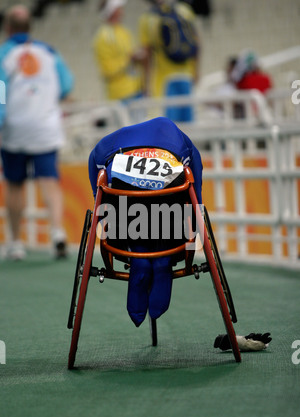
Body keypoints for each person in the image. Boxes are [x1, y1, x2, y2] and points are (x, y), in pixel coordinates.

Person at [88, 116, 203, 327]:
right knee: (179, 198)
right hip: (168, 206)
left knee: (117, 198)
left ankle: (139, 258)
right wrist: (194, 231)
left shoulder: (102, 147)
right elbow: (196, 199)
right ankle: (163, 262)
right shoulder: (183, 141)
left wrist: (108, 228)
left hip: (128, 210)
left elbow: (99, 201)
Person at [0, 4, 74, 260]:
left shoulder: (3, 55)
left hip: (15, 128)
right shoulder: (49, 52)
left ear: (7, 28)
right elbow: (66, 85)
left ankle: (16, 242)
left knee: (15, 184)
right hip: (45, 126)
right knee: (50, 180)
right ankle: (58, 234)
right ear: (30, 27)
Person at [138, 0, 201, 122]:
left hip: (163, 81)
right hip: (186, 76)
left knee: (167, 129)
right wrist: (196, 71)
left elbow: (147, 53)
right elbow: (197, 43)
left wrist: (145, 85)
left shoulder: (147, 19)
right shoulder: (185, 10)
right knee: (188, 130)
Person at [92, 0, 145, 103]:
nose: (121, 11)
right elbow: (107, 69)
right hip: (120, 95)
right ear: (112, 11)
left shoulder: (124, 31)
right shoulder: (103, 37)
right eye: (118, 8)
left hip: (136, 90)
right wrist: (129, 59)